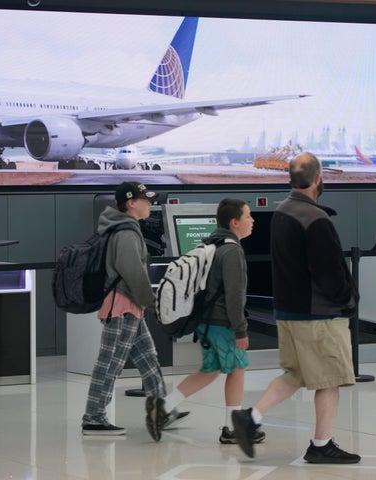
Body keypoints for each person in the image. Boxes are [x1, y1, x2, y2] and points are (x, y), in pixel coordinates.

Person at [231, 152, 361, 464]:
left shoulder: (283, 212)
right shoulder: (315, 218)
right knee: (329, 380)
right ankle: (321, 444)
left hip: (288, 311)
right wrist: (349, 300)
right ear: (319, 179)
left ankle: (251, 417)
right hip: (318, 314)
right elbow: (329, 271)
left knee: (295, 373)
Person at [147, 198, 267, 445]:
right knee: (236, 369)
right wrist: (241, 330)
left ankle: (164, 406)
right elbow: (234, 295)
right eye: (248, 216)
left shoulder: (214, 243)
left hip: (208, 320)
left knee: (211, 370)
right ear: (235, 222)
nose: (252, 220)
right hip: (222, 323)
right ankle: (232, 428)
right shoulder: (232, 251)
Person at [82, 181, 188, 439]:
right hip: (122, 306)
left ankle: (162, 410)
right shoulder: (126, 233)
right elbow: (133, 274)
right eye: (146, 200)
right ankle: (93, 418)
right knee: (110, 362)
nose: (150, 204)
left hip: (129, 305)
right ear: (131, 203)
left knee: (147, 357)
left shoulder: (124, 228)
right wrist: (153, 303)